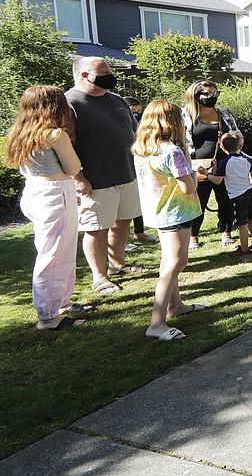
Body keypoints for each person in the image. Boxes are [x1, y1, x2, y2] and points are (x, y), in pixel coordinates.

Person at [5, 85, 88, 330]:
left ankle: (59, 303)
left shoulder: (20, 132)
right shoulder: (54, 134)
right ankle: (49, 316)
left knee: (56, 250)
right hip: (55, 194)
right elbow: (74, 168)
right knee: (53, 255)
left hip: (34, 191)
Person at [66, 56, 144, 294]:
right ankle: (99, 277)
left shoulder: (117, 100)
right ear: (83, 75)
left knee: (123, 223)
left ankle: (117, 265)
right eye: (103, 74)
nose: (109, 78)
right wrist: (78, 178)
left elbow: (133, 131)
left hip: (126, 175)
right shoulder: (70, 103)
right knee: (96, 229)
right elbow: (63, 146)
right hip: (95, 181)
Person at [132, 99, 207, 341]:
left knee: (168, 262)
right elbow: (188, 187)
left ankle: (176, 306)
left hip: (160, 213)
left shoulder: (143, 149)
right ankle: (156, 323)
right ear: (173, 122)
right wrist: (198, 173)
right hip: (176, 212)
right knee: (176, 263)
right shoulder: (171, 151)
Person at [181, 80, 239, 252]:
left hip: (224, 164)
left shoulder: (223, 114)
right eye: (206, 94)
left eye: (214, 93)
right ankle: (193, 236)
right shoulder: (186, 115)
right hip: (197, 166)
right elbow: (180, 141)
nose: (211, 96)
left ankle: (227, 232)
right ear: (195, 95)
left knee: (226, 200)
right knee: (198, 202)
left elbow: (237, 134)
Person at [208, 131, 252, 256]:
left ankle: (244, 249)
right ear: (241, 146)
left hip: (238, 196)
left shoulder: (224, 162)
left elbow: (217, 181)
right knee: (251, 220)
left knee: (241, 224)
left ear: (223, 147)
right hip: (251, 192)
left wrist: (207, 174)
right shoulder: (248, 160)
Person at [123, 96, 158, 251]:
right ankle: (123, 241)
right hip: (122, 166)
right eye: (133, 111)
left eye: (138, 112)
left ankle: (140, 232)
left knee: (138, 200)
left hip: (137, 164)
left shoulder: (138, 124)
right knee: (123, 207)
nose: (136, 115)